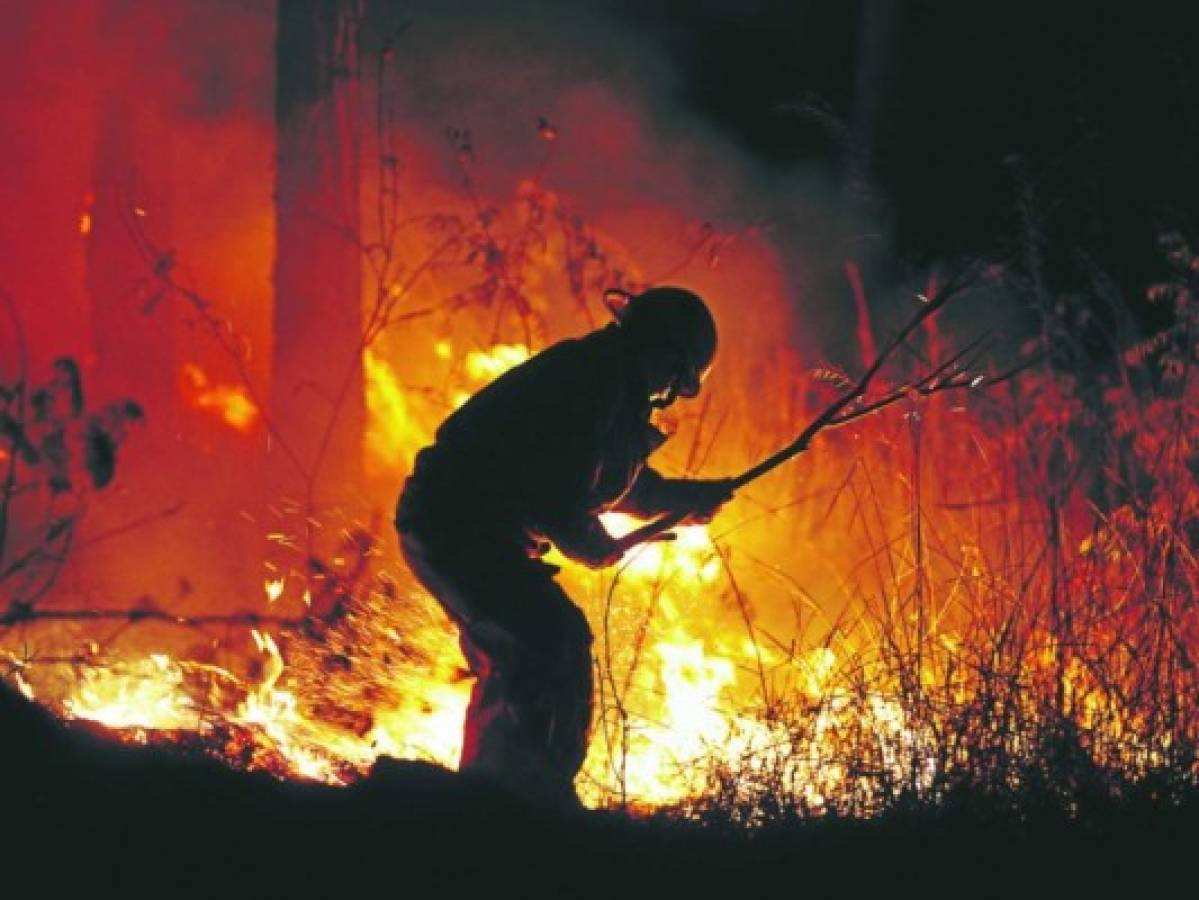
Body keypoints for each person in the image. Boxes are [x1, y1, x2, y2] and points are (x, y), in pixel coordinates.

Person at [395, 286, 734, 808]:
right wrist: (593, 546)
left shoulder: (606, 380)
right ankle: (517, 797)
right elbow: (552, 490)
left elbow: (610, 483)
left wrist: (688, 499)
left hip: (462, 526)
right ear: (665, 356)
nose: (667, 394)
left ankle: (501, 794)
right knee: (548, 642)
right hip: (458, 524)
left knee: (528, 646)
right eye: (674, 379)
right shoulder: (591, 383)